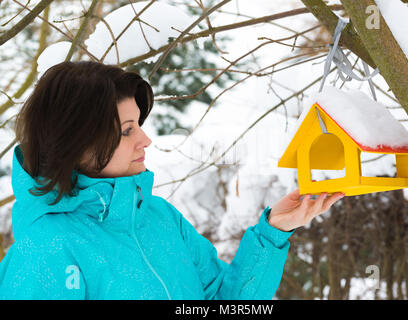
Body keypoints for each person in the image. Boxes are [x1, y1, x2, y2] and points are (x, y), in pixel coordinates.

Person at [0, 61, 344, 300]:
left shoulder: (160, 218)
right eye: (127, 131)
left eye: (139, 124)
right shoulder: (46, 251)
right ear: (76, 144)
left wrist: (273, 233)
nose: (145, 140)